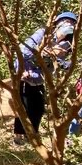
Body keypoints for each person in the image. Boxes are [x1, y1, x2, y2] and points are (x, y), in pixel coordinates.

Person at [13, 11, 77, 144]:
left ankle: (32, 135)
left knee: (38, 109)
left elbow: (53, 66)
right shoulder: (42, 34)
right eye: (66, 22)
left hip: (37, 78)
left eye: (71, 23)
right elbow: (23, 50)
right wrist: (43, 51)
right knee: (22, 107)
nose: (68, 25)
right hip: (24, 75)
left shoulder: (67, 44)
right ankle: (18, 136)